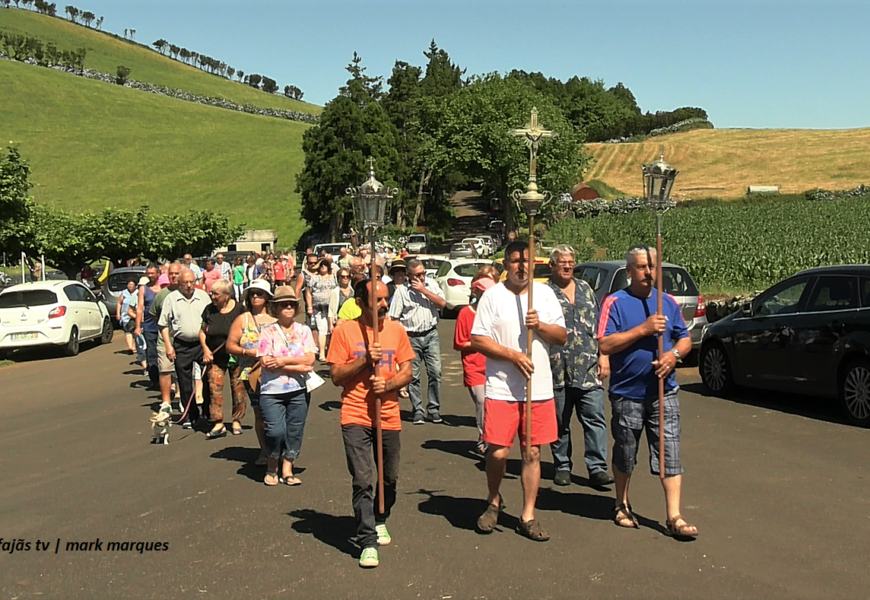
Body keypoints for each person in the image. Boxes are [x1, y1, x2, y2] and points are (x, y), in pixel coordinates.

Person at [597, 245, 698, 538]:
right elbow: (604, 344)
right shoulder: (615, 302)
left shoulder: (666, 302)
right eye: (642, 267)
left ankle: (674, 516)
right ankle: (621, 503)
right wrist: (643, 329)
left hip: (664, 392)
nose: (648, 273)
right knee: (626, 451)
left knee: (670, 451)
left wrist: (673, 357)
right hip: (627, 393)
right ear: (629, 272)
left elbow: (684, 338)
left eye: (653, 267)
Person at [470, 241, 566, 542]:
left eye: (526, 261)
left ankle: (528, 514)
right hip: (501, 387)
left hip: (537, 389)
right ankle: (494, 498)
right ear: (506, 265)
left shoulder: (546, 295)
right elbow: (478, 340)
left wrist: (539, 326)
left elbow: (561, 336)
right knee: (498, 451)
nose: (521, 266)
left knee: (533, 452)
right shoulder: (493, 296)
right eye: (515, 261)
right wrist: (514, 355)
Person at [328, 279, 415, 568]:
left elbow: (408, 371)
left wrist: (388, 383)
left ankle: (380, 518)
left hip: (388, 414)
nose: (383, 304)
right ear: (361, 302)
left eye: (385, 298)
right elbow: (337, 376)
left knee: (389, 477)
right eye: (377, 300)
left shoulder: (396, 329)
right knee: (364, 479)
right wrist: (365, 359)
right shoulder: (345, 331)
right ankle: (367, 540)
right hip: (355, 415)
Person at [546, 245, 614, 488]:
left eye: (571, 262)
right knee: (560, 421)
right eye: (562, 262)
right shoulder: (544, 293)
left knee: (594, 418)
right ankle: (562, 465)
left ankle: (597, 468)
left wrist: (603, 356)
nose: (567, 266)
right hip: (557, 369)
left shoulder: (585, 288)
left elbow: (599, 327)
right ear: (552, 265)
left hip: (588, 367)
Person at [256, 287, 316, 486]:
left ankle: (287, 468)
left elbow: (310, 361)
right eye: (284, 304)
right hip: (271, 391)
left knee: (294, 430)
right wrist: (297, 364)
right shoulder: (267, 331)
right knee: (275, 430)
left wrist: (282, 362)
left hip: (298, 390)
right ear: (276, 308)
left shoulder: (304, 330)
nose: (288, 307)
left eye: (292, 304)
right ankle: (272, 464)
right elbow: (266, 362)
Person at [388, 258, 446, 425]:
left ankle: (434, 409)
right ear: (408, 275)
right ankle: (418, 410)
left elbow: (443, 304)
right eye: (418, 275)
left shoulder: (432, 285)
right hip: (410, 337)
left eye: (423, 273)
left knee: (435, 372)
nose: (422, 277)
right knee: (413, 376)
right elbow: (393, 318)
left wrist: (424, 291)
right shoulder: (402, 292)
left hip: (431, 334)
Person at [226, 280, 274, 465]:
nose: (255, 296)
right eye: (252, 293)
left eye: (259, 293)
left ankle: (279, 449)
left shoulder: (276, 318)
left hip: (277, 371)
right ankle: (265, 451)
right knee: (261, 413)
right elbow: (230, 345)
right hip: (252, 373)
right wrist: (248, 352)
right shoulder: (243, 319)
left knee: (277, 413)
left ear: (267, 297)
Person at [159, 268, 211, 429]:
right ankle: (190, 414)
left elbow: (211, 319)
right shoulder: (171, 299)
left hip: (202, 344)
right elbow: (163, 325)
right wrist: (168, 346)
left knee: (208, 379)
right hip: (182, 344)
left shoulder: (203, 297)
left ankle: (208, 412)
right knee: (184, 382)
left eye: (191, 282)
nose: (189, 285)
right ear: (179, 283)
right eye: (185, 283)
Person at [454, 272, 495, 453]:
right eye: (485, 293)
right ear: (476, 292)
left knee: (494, 405)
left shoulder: (497, 313)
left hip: (495, 366)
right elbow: (459, 343)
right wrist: (481, 343)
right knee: (482, 401)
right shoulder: (466, 313)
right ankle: (484, 438)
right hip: (474, 366)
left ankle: (489, 436)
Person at [200, 280, 246, 438]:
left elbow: (248, 331)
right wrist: (206, 350)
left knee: (238, 388)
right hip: (215, 357)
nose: (212, 296)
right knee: (214, 389)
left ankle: (237, 420)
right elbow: (202, 332)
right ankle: (218, 422)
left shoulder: (240, 309)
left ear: (227, 296)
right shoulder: (209, 310)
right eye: (211, 293)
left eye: (215, 294)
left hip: (236, 357)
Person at [150, 264, 182, 413]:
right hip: (165, 340)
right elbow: (154, 314)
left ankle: (182, 398)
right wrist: (164, 329)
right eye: (171, 273)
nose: (174, 276)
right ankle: (166, 402)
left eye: (177, 273)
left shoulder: (187, 292)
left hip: (183, 340)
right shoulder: (162, 295)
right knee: (165, 370)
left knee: (183, 371)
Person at [135, 263, 162, 389]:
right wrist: (137, 326)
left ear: (158, 274)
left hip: (164, 325)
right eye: (148, 273)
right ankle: (155, 380)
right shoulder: (143, 288)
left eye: (152, 273)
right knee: (151, 354)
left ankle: (168, 379)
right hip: (149, 326)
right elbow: (140, 307)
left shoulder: (164, 288)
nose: (150, 276)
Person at [308, 259, 337, 361]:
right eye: (321, 265)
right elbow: (308, 292)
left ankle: (332, 351)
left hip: (332, 307)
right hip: (319, 307)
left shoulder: (334, 278)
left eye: (325, 265)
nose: (323, 266)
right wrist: (309, 307)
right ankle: (322, 353)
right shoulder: (314, 278)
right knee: (322, 329)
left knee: (333, 330)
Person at [328, 267, 354, 333]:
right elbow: (331, 309)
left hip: (353, 321)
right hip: (340, 322)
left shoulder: (354, 291)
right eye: (343, 276)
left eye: (347, 276)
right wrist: (330, 324)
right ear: (339, 278)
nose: (345, 278)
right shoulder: (335, 292)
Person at [117, 278, 140, 354]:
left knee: (135, 331)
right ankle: (130, 347)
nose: (130, 286)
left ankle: (135, 346)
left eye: (132, 284)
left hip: (135, 315)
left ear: (135, 286)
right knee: (127, 331)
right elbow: (119, 303)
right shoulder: (124, 293)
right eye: (129, 284)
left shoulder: (138, 292)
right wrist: (118, 313)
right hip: (125, 316)